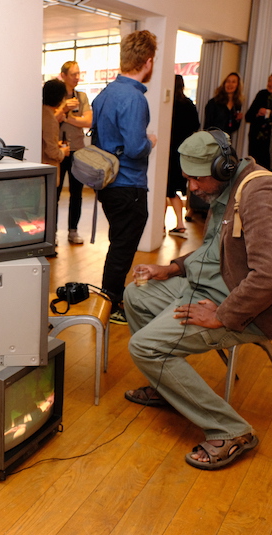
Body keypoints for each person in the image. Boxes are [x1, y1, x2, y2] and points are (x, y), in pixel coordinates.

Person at [123, 130, 272, 471]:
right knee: (136, 294)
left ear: (224, 166)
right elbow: (212, 251)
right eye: (188, 178)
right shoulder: (226, 190)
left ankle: (232, 430)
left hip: (242, 306)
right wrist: (172, 267)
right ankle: (167, 385)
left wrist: (223, 315)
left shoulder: (262, 193)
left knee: (144, 347)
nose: (192, 187)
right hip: (205, 288)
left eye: (197, 179)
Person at [90, 29, 158, 324]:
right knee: (122, 246)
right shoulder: (134, 99)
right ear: (148, 61)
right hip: (127, 184)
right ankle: (111, 304)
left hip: (106, 182)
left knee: (118, 242)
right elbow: (134, 148)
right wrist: (150, 142)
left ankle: (109, 299)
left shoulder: (105, 94)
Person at [58, 61, 92, 244]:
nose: (77, 77)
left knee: (76, 193)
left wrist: (68, 117)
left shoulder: (82, 96)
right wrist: (62, 110)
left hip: (78, 150)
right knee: (54, 193)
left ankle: (73, 231)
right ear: (63, 75)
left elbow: (88, 122)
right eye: (73, 74)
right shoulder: (56, 96)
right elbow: (51, 118)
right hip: (58, 151)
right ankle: (51, 234)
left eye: (78, 74)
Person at [167, 74, 200, 237]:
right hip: (182, 153)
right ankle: (179, 223)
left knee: (167, 190)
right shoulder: (188, 104)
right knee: (173, 191)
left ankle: (169, 225)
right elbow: (196, 126)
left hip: (168, 152)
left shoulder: (168, 105)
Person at [41, 79, 69, 174]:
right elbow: (51, 152)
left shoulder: (41, 112)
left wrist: (56, 144)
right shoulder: (50, 119)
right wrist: (63, 152)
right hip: (47, 169)